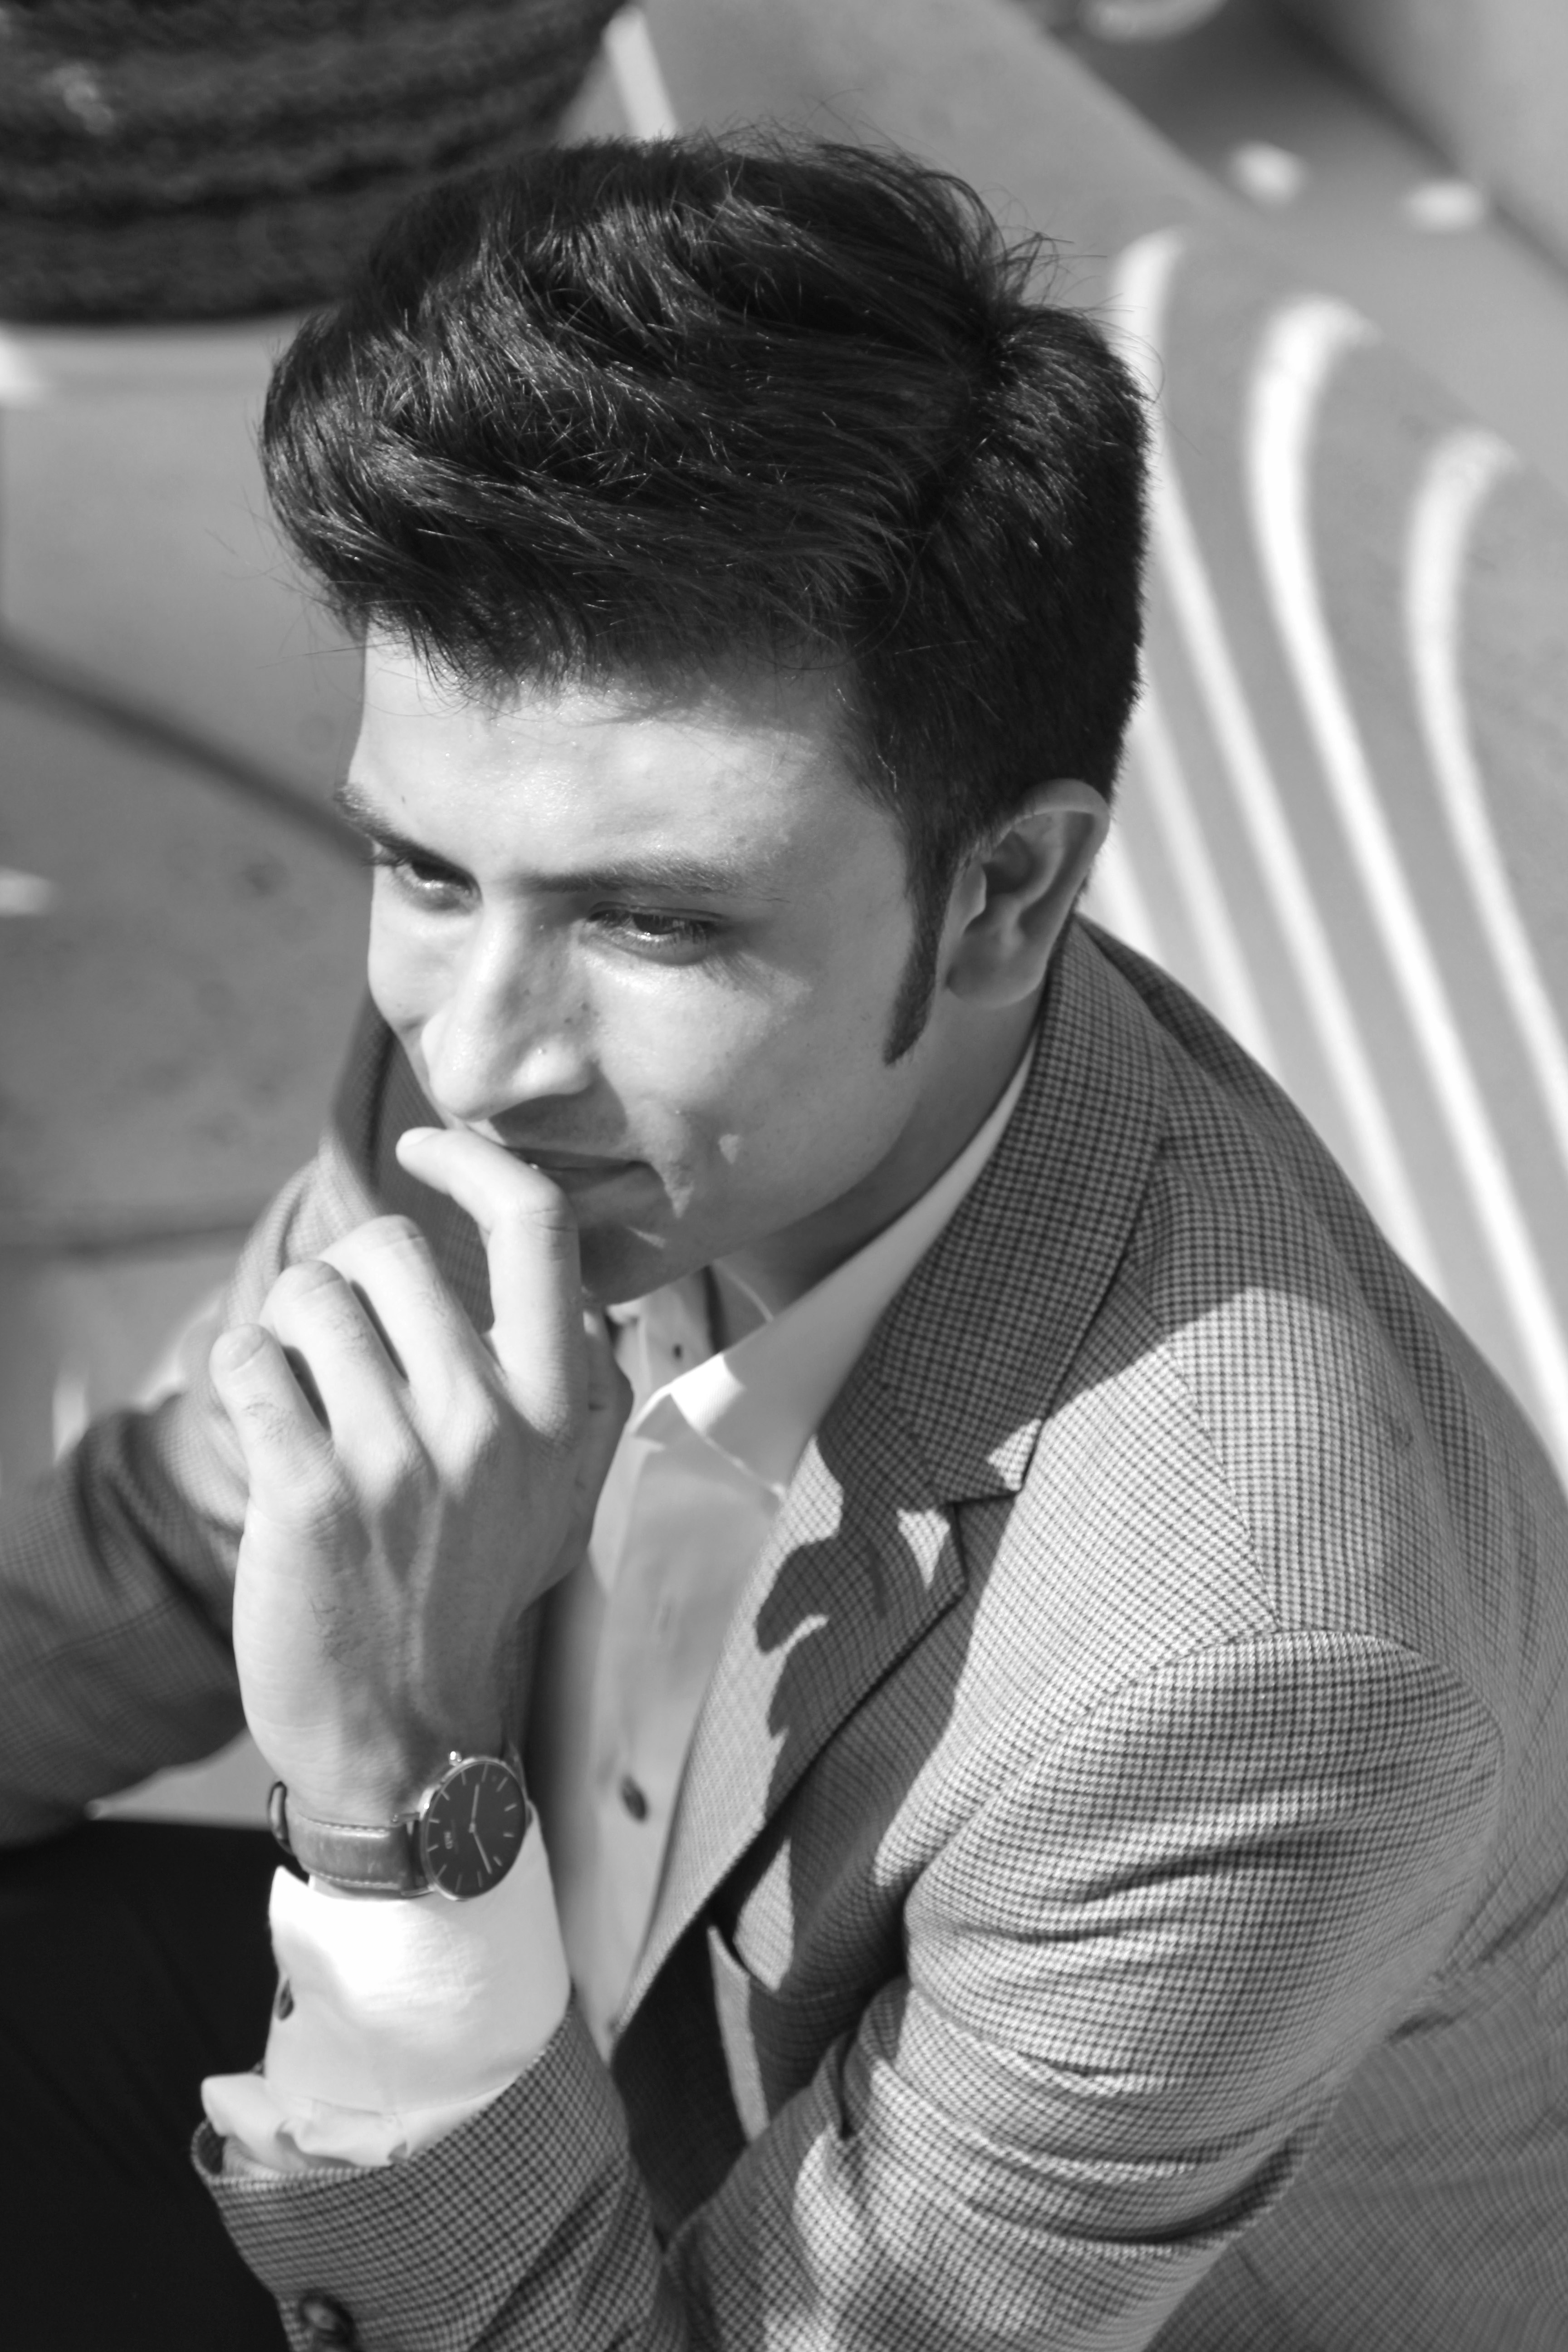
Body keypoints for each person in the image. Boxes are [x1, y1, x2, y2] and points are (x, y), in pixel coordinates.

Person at [1, 134, 1565, 2352]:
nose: (473, 1052)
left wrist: (396, 1795)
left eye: (656, 922)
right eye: (424, 867)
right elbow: (179, 1545)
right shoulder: (523, 1075)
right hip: (580, 2098)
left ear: (1006, 893)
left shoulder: (1253, 1675)